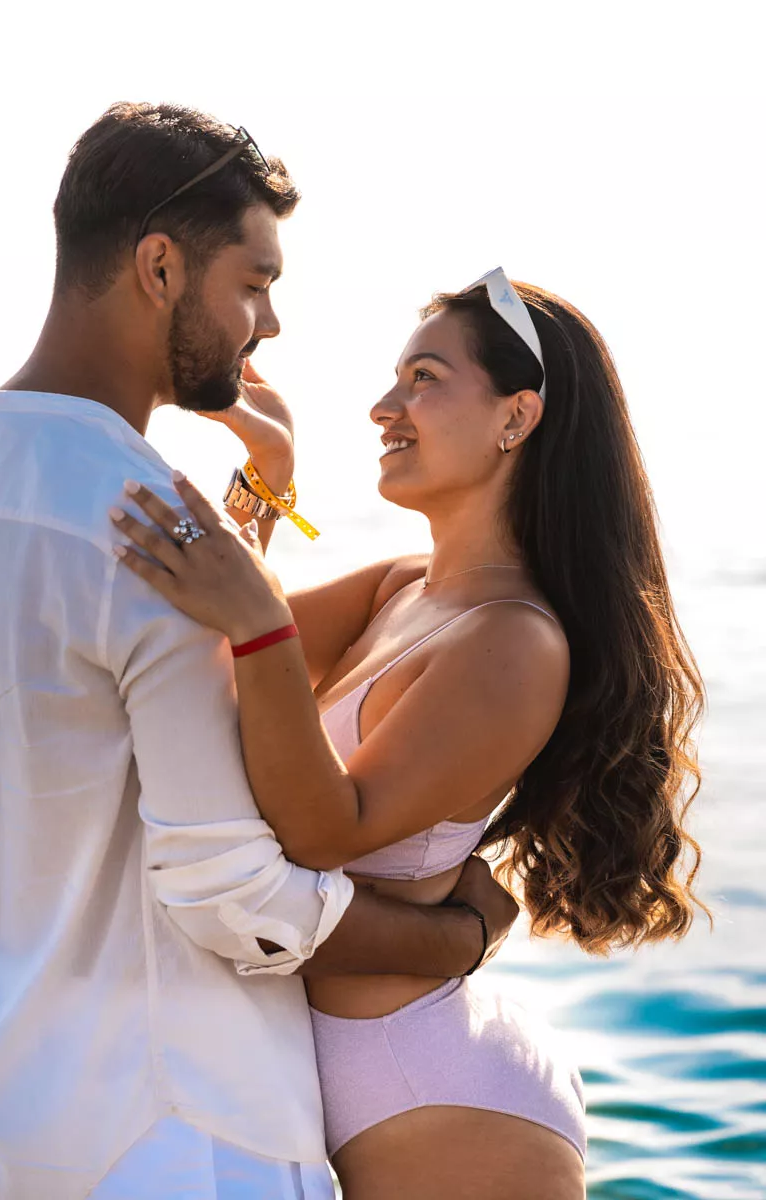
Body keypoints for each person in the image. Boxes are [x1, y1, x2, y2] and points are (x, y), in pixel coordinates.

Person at [0, 103, 519, 1200]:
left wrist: (257, 505)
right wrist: (458, 936)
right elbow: (234, 897)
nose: (270, 323)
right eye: (253, 283)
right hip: (188, 1136)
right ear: (160, 267)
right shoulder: (157, 527)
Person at [112, 268, 706, 1200]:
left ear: (516, 418)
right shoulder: (402, 587)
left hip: (429, 1094)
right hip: (310, 1069)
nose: (384, 406)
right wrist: (265, 489)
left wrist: (256, 618)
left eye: (423, 378)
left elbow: (325, 830)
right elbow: (196, 669)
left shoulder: (514, 640)